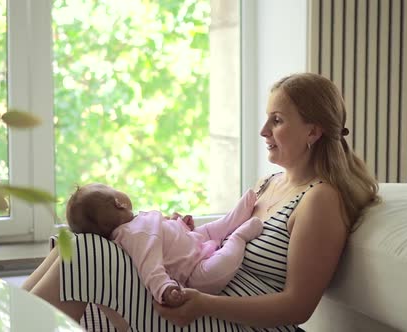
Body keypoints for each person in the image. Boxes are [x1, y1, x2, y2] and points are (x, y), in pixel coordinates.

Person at [23, 72, 379, 331]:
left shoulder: (319, 200)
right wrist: (181, 232)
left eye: (277, 120)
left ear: (313, 132)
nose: (263, 131)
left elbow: (298, 306)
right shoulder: (268, 184)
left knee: (86, 257)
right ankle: (7, 320)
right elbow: (218, 239)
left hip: (234, 321)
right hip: (203, 300)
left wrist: (203, 304)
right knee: (81, 248)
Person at [62, 183, 263, 306]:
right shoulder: (134, 234)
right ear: (119, 203)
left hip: (195, 244)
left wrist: (179, 226)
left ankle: (236, 217)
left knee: (211, 228)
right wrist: (165, 289)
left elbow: (163, 237)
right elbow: (150, 268)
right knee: (223, 262)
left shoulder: (135, 226)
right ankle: (240, 236)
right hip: (197, 272)